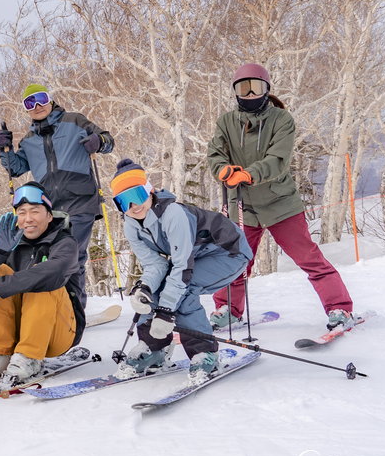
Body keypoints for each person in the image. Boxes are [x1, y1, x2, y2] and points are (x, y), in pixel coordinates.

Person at [208, 63, 357, 331]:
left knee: (308, 258)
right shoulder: (226, 122)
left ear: (267, 90)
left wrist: (249, 174)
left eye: (257, 87)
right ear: (235, 91)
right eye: (244, 88)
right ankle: (228, 309)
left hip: (280, 204)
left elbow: (278, 159)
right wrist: (223, 170)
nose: (251, 94)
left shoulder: (281, 120)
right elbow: (215, 154)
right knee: (236, 261)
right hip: (243, 204)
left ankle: (339, 308)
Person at [108, 159, 252, 383]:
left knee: (183, 292)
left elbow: (182, 266)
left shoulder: (172, 214)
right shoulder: (131, 224)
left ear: (150, 190)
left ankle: (206, 354)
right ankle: (153, 350)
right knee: (152, 295)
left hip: (228, 252)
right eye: (123, 202)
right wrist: (144, 288)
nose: (133, 206)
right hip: (197, 255)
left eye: (137, 196)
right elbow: (155, 265)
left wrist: (165, 311)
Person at [0, 84, 114, 298]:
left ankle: (75, 307)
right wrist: (5, 150)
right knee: (53, 256)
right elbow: (17, 168)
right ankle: (57, 303)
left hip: (81, 200)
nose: (37, 106)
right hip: (50, 207)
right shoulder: (28, 140)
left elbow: (108, 141)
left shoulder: (75, 121)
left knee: (72, 255)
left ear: (50, 100)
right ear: (26, 109)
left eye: (40, 99)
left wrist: (99, 141)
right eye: (30, 103)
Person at [0, 182, 85, 389]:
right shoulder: (10, 239)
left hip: (57, 333)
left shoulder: (65, 242)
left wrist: (2, 286)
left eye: (35, 211)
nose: (28, 219)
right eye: (21, 212)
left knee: (44, 274)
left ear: (49, 215)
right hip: (18, 331)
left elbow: (56, 271)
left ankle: (29, 357)